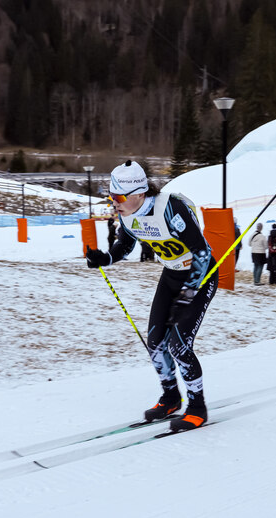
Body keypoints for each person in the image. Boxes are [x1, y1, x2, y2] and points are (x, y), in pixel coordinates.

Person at [85, 160, 218, 432]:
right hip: (171, 275)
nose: (115, 202)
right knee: (156, 343)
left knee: (179, 345)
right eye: (111, 196)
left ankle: (197, 408)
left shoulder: (170, 208)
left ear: (139, 193)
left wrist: (188, 293)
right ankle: (170, 398)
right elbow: (125, 245)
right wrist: (105, 258)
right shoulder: (127, 213)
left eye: (120, 197)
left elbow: (202, 253)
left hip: (199, 276)